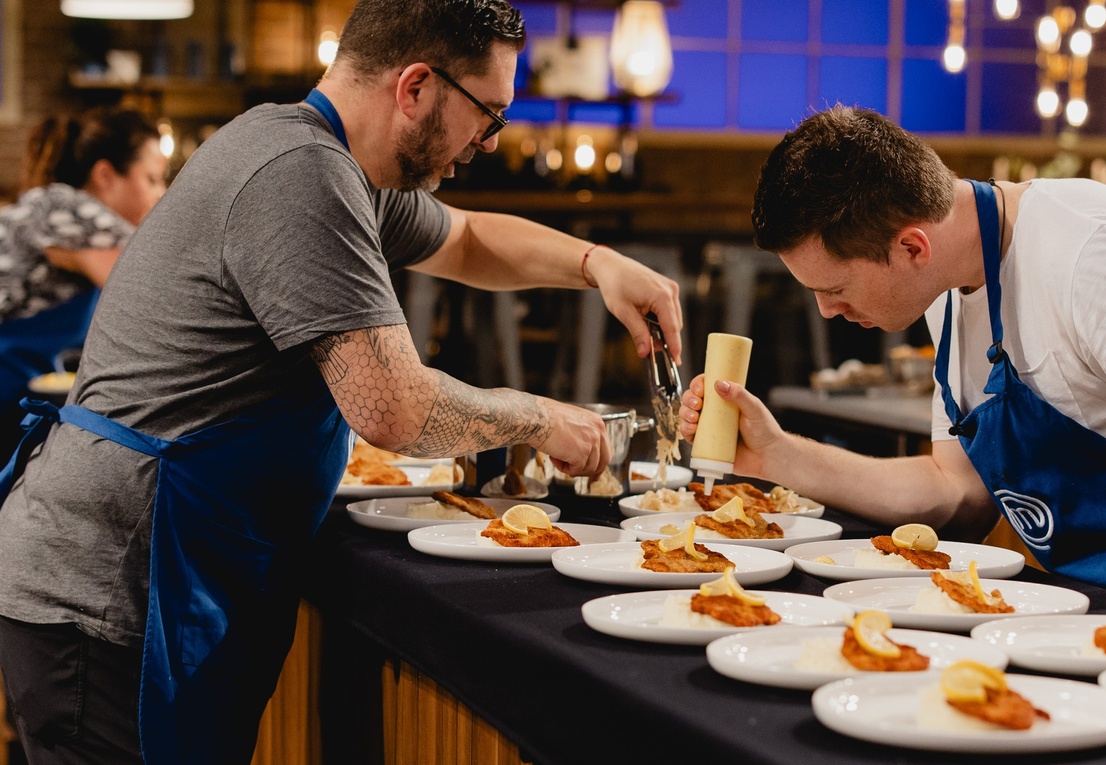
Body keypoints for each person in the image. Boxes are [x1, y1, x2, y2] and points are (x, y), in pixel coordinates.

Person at [0, 1, 683, 763]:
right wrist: (539, 419)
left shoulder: (326, 156)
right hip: (113, 591)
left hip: (154, 572)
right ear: (416, 87)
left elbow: (467, 237)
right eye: (487, 114)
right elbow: (392, 407)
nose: (485, 144)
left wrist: (598, 265)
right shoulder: (302, 173)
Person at [678, 104, 1106, 643]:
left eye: (835, 287)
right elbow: (958, 491)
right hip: (1098, 611)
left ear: (911, 247)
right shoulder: (946, 287)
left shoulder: (1091, 254)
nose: (826, 310)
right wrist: (778, 456)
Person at [0, 107, 167, 458]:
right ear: (106, 175)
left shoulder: (58, 206)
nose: (161, 193)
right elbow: (152, 300)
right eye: (151, 179)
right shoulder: (70, 208)